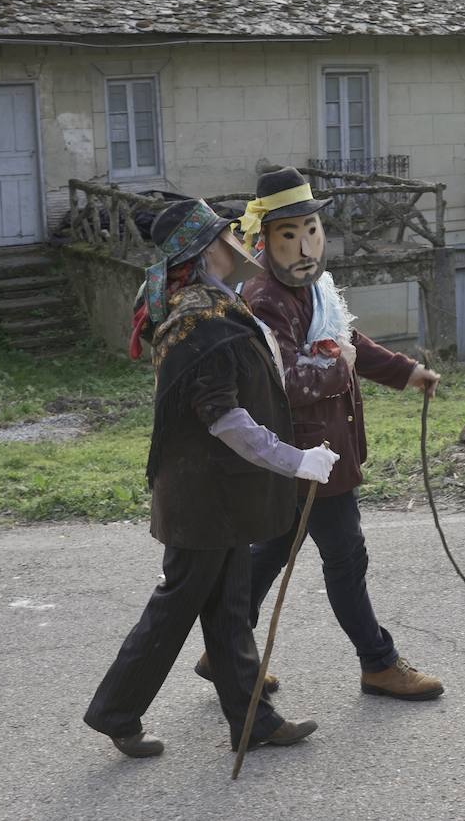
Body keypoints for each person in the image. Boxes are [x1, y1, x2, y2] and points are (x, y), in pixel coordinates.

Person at [83, 198, 340, 758]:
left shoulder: (214, 304)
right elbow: (223, 416)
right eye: (230, 234)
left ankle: (253, 720)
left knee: (226, 606)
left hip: (217, 493)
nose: (241, 241)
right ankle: (115, 711)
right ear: (210, 248)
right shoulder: (197, 318)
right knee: (176, 607)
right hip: (201, 496)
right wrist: (294, 460)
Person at [226, 166, 446, 701]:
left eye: (313, 231)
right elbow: (282, 382)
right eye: (290, 235)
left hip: (318, 454)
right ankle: (378, 662)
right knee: (345, 556)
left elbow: (345, 339)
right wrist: (341, 366)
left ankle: (225, 646)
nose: (305, 246)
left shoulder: (314, 288)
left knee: (273, 549)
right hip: (306, 456)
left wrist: (404, 370)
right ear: (264, 239)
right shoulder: (263, 300)